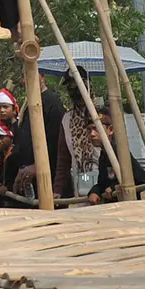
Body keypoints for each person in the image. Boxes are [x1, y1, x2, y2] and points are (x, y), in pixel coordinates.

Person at [55, 66, 101, 199]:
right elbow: (63, 160)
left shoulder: (102, 115)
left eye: (75, 83)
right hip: (81, 185)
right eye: (69, 84)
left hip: (105, 183)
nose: (71, 87)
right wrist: (57, 189)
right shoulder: (67, 119)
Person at [88, 107, 145, 205]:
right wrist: (94, 191)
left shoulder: (120, 153)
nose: (92, 134)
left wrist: (115, 188)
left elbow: (143, 180)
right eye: (90, 130)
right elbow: (103, 184)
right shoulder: (103, 156)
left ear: (111, 130)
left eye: (96, 129)